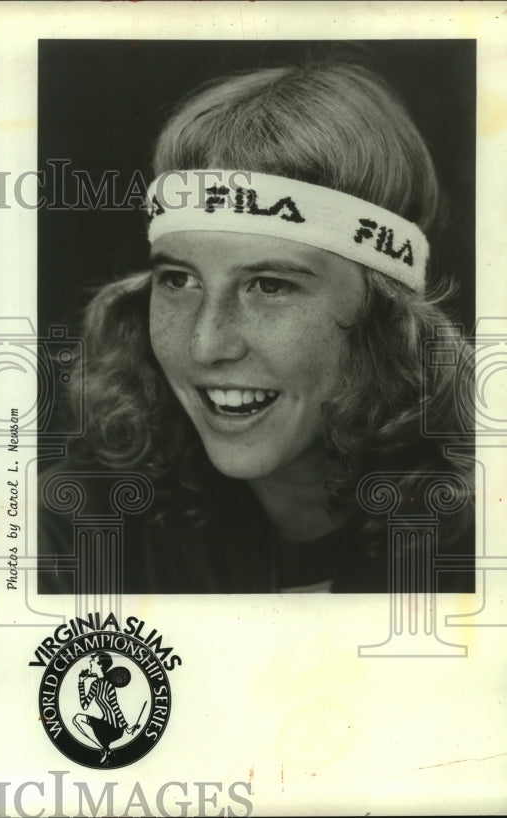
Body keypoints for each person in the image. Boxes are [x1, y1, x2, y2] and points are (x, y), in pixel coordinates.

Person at [38, 59, 475, 594]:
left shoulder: (478, 542)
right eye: (179, 279)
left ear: (388, 316)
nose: (206, 344)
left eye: (270, 286)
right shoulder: (81, 523)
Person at [72, 653, 138, 765]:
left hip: (115, 729)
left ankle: (106, 750)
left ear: (100, 665)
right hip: (103, 725)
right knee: (77, 719)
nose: (90, 662)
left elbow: (115, 708)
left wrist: (126, 727)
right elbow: (84, 705)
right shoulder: (95, 684)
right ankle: (106, 749)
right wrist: (81, 682)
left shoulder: (109, 686)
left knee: (80, 719)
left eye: (92, 660)